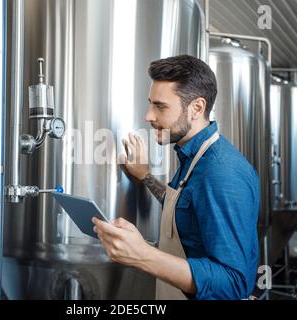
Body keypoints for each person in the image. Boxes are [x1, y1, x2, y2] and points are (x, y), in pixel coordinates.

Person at [92, 55, 259, 300]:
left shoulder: (221, 172)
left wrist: (142, 254)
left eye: (160, 106)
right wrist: (145, 176)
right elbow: (184, 207)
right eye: (150, 103)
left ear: (197, 108)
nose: (148, 116)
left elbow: (234, 283)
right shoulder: (191, 158)